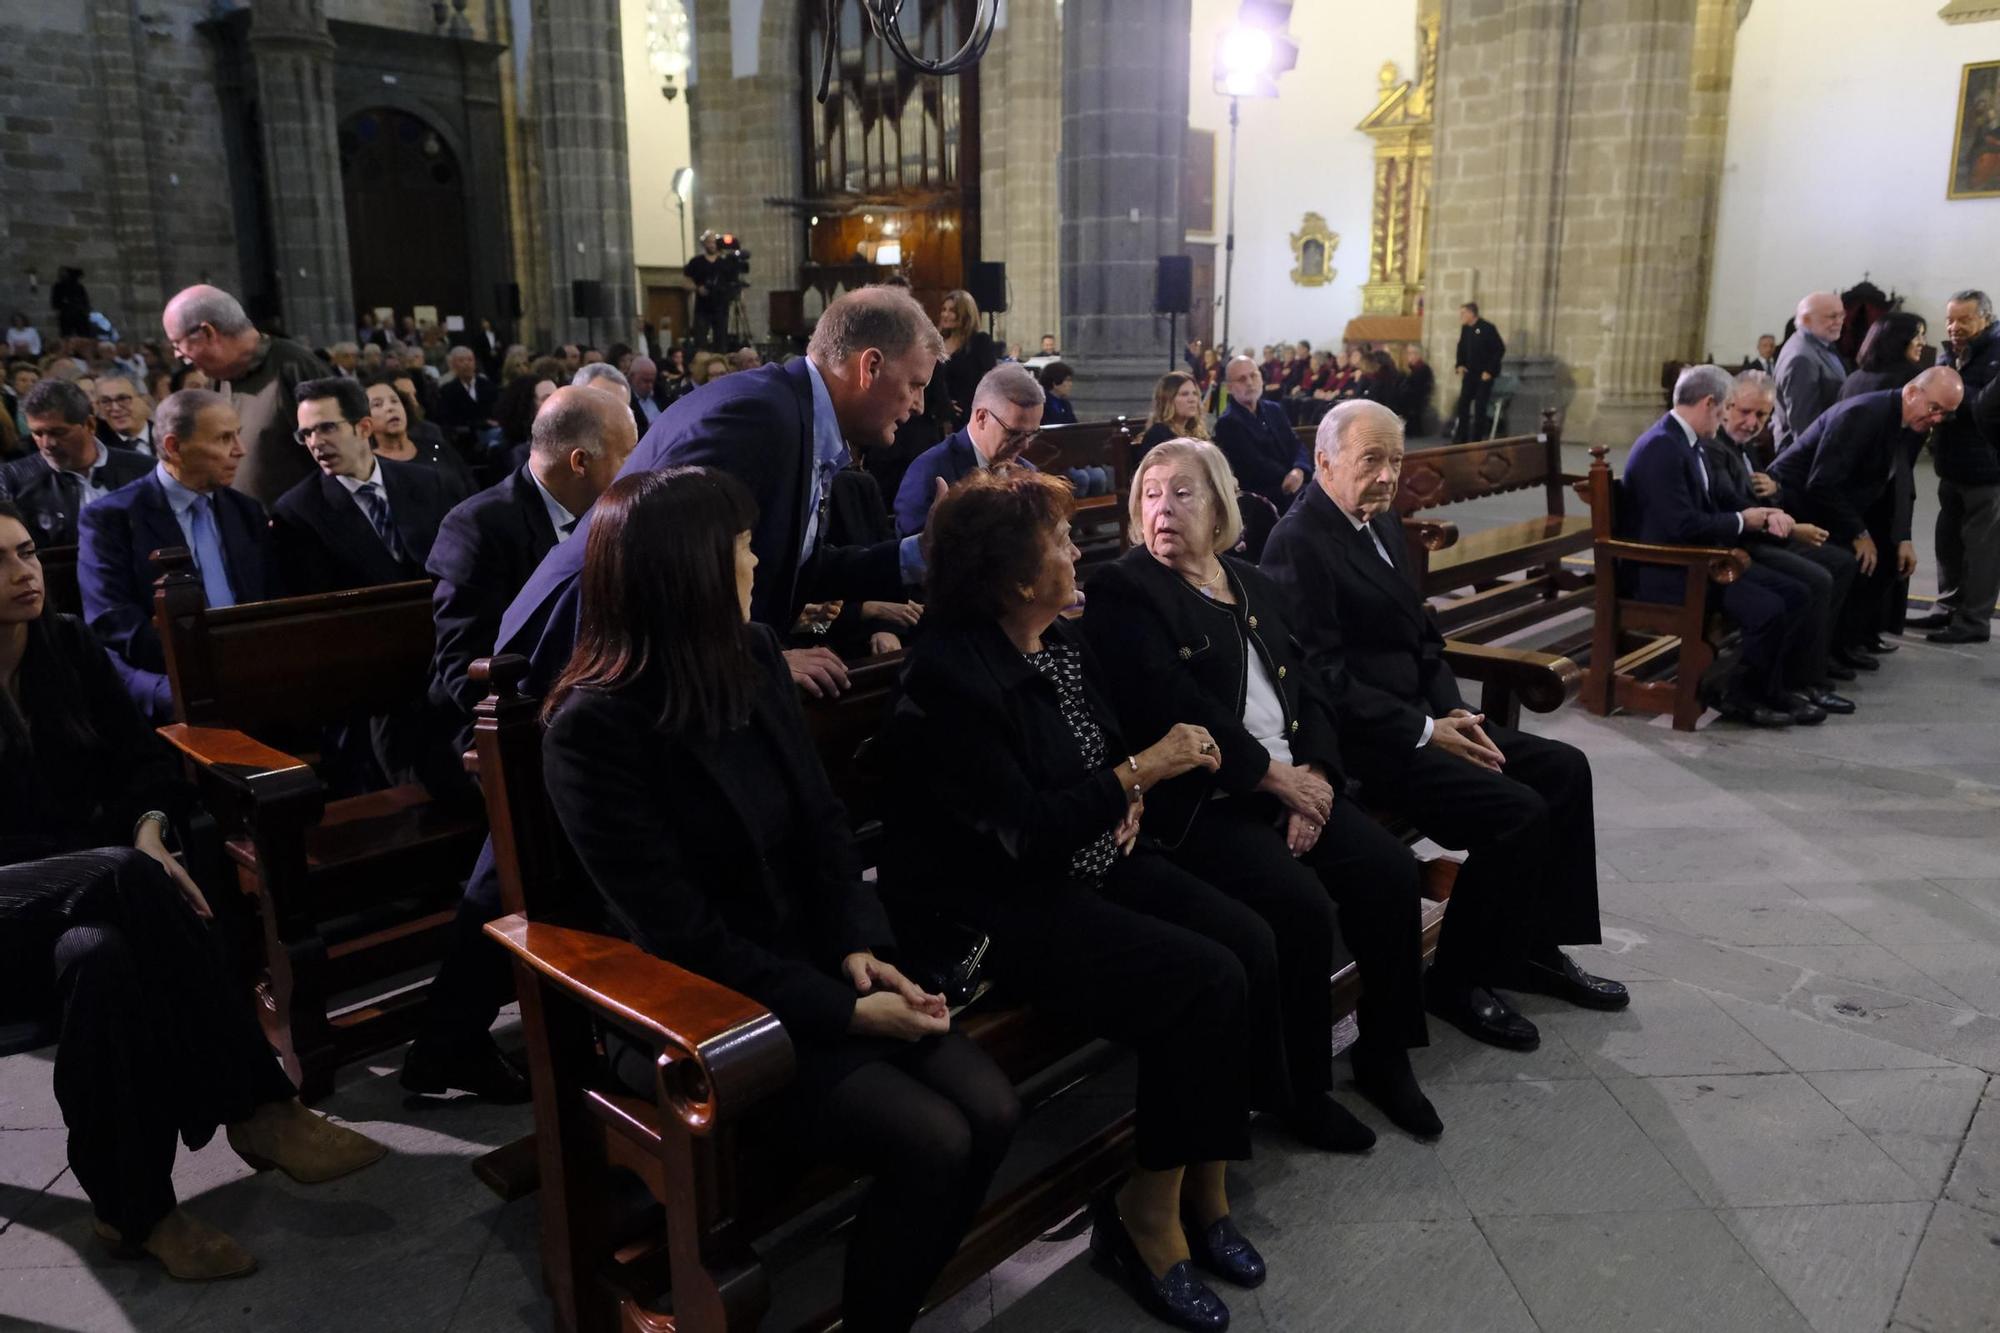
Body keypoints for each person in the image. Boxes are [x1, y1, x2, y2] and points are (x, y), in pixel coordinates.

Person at [541, 467, 1017, 1333]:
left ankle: (889, 1297)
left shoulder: (752, 654)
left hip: (810, 962)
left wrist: (859, 944)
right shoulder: (592, 728)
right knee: (933, 1137)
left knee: (991, 1106)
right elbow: (678, 934)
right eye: (742, 548)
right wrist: (848, 1012)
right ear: (689, 572)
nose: (757, 563)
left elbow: (823, 829)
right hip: (697, 1010)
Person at [889, 470, 1271, 1330]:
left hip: (1084, 855)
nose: (1077, 550)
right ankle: (1143, 1219)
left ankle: (1203, 1186)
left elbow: (1093, 755)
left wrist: (1125, 795)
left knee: (1248, 940)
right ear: (1021, 577)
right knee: (1202, 978)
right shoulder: (950, 678)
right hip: (1002, 904)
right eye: (1061, 541)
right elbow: (1022, 827)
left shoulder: (1054, 641)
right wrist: (1138, 775)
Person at [0, 501, 383, 1281]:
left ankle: (134, 1211)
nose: (23, 574)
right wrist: (128, 861)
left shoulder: (64, 645)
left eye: (28, 552)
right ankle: (257, 1105)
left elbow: (142, 762)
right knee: (122, 880)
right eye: (0, 564)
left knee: (101, 959)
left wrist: (147, 824)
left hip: (100, 899)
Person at [1082, 438, 1442, 1150]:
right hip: (1207, 803)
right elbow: (1173, 703)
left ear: (1219, 505)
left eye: (1181, 493)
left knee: (1389, 871)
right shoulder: (1127, 590)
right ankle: (1299, 1090)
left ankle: (1386, 1051)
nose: (1162, 508)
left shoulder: (1249, 580)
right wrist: (1278, 782)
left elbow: (1308, 688)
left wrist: (1321, 777)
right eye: (1149, 495)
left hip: (1293, 780)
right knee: (1300, 907)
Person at [1262, 401, 1628, 1050]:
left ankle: (1533, 948)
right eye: (1371, 458)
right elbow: (1321, 680)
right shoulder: (1300, 541)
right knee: (1516, 812)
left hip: (1423, 721)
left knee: (1566, 770)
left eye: (1396, 460)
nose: (1386, 475)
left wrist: (1451, 709)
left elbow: (1424, 634)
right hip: (1367, 746)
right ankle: (1458, 980)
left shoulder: (1380, 521)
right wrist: (1426, 729)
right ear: (1324, 460)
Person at [499, 284, 944, 703]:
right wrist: (752, 661)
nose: (920, 405)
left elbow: (794, 564)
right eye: (916, 384)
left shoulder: (789, 413)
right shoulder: (757, 419)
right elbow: (661, 565)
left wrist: (917, 554)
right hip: (579, 665)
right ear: (870, 366)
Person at [428, 386, 638, 753]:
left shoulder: (615, 517)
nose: (637, 471)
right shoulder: (476, 528)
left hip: (591, 709)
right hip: (503, 729)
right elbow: (467, 674)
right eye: (628, 456)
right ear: (580, 462)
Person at [1621, 366, 1822, 727]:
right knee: (1770, 607)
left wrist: (1755, 514)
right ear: (1709, 402)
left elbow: (1710, 507)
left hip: (1697, 561)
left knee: (1797, 593)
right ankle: (1740, 696)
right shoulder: (1662, 447)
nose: (1728, 417)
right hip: (1666, 573)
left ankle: (1768, 688)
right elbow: (1681, 526)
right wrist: (1746, 521)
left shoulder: (1683, 441)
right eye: (1727, 407)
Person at [77, 390, 279, 722]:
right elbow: (112, 619)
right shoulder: (112, 517)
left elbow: (273, 594)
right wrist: (200, 662)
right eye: (224, 438)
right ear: (174, 447)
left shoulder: (245, 511)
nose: (240, 450)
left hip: (248, 665)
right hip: (162, 671)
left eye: (238, 435)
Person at [1771, 371, 1963, 654]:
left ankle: (1853, 640)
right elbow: (1821, 484)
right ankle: (1827, 651)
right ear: (1911, 393)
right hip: (1798, 507)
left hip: (1840, 503)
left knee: (1890, 552)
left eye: (1945, 414)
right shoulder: (1863, 414)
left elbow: (1900, 484)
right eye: (1934, 409)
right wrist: (1858, 533)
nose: (1937, 419)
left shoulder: (1913, 423)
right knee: (1853, 558)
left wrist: (1904, 537)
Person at [1707, 370, 1862, 703]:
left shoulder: (1746, 447)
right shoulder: (1714, 445)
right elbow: (1730, 507)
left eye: (1761, 415)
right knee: (1816, 579)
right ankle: (1802, 678)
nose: (1751, 422)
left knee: (1841, 562)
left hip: (1760, 536)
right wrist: (1789, 528)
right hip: (1739, 546)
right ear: (1727, 405)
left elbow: (1763, 491)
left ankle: (1816, 659)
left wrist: (1774, 491)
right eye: (1744, 412)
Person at [270, 378, 454, 595]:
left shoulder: (425, 482)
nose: (315, 442)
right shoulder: (298, 510)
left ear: (365, 428)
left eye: (327, 428)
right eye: (306, 434)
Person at [161, 285, 332, 506]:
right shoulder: (217, 379)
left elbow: (344, 457)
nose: (177, 355)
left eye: (177, 343)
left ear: (207, 333)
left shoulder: (297, 369)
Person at [1913, 291, 2000, 644]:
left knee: (1983, 550)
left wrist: (1950, 402)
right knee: (1948, 544)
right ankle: (1947, 608)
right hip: (1952, 465)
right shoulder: (1953, 353)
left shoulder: (1996, 353)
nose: (1954, 327)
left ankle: (1974, 620)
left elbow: (1987, 404)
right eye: (1950, 319)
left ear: (1987, 318)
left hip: (1988, 468)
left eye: (1964, 319)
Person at [892, 363, 1044, 537]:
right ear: (982, 417)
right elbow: (914, 553)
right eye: (1015, 433)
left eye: (1032, 434)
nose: (1025, 445)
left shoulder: (1028, 472)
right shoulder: (929, 471)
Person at [3, 380, 151, 546]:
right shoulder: (11, 481)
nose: (47, 444)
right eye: (37, 433)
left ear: (90, 425)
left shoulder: (145, 471)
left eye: (57, 432)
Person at [1211, 355, 1309, 513]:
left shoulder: (1274, 409)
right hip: (1265, 495)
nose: (1249, 382)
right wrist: (1289, 477)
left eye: (1253, 375)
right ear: (1229, 387)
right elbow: (1255, 464)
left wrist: (1299, 469)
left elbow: (1296, 444)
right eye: (1241, 379)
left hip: (1295, 482)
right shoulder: (1228, 422)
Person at [363, 375, 475, 500]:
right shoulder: (369, 467)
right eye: (377, 405)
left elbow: (470, 488)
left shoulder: (437, 448)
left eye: (395, 401)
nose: (390, 408)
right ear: (364, 419)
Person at [1772, 291, 1848, 452]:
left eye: (1842, 315)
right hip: (1807, 455)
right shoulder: (1801, 358)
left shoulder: (1820, 345)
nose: (1839, 322)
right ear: (1806, 320)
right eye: (1832, 316)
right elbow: (1804, 425)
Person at [937, 288, 998, 429]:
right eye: (944, 309)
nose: (945, 315)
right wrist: (943, 404)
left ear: (965, 314)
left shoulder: (979, 341)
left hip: (970, 416)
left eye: (952, 311)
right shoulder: (937, 342)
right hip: (940, 418)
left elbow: (991, 380)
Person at [1839, 312, 1929, 400]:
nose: (1923, 343)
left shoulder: (1852, 379)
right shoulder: (1911, 379)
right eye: (1916, 336)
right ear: (1896, 340)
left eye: (1922, 335)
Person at [1451, 303, 1505, 442]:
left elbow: (1499, 349)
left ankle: (1476, 439)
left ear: (1471, 313)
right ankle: (1460, 438)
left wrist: (1489, 371)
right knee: (1463, 404)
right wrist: (1460, 364)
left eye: (1463, 313)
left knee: (1480, 407)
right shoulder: (1465, 329)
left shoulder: (1488, 328)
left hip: (1484, 375)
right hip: (1470, 374)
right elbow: (1461, 347)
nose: (1461, 316)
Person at [432, 345, 498, 450]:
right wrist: (479, 423)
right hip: (464, 436)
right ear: (453, 365)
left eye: (470, 360)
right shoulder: (448, 390)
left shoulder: (487, 385)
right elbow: (447, 419)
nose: (466, 363)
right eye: (461, 360)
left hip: (490, 430)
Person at [1141, 371, 1209, 453]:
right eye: (1184, 394)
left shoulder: (1198, 433)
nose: (1192, 399)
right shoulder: (1158, 435)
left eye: (1195, 394)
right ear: (1168, 400)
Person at [90, 374, 156, 457]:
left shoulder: (167, 434)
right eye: (106, 401)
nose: (115, 408)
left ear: (144, 400)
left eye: (122, 398)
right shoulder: (96, 447)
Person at [627, 354, 670, 433]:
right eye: (645, 381)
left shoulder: (660, 393)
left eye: (652, 381)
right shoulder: (626, 401)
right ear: (631, 377)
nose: (649, 385)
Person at [1395, 346, 1434, 429]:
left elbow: (1417, 387)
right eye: (1408, 353)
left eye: (1411, 353)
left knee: (1396, 399)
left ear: (1418, 355)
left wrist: (1402, 391)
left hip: (1417, 397)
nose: (1408, 356)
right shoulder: (1412, 367)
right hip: (1411, 394)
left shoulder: (1423, 368)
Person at [1039, 361, 1078, 425]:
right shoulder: (1041, 403)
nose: (1070, 384)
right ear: (1055, 382)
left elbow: (1074, 425)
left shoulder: (1065, 403)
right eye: (1067, 380)